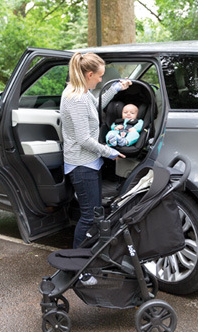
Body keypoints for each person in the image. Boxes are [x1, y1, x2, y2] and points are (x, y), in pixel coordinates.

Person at [60, 52, 131, 248]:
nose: (101, 80)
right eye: (100, 76)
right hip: (81, 165)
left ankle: (88, 260)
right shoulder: (75, 99)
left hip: (90, 162)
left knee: (94, 212)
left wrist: (117, 87)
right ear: (89, 74)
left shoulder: (83, 93)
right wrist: (110, 152)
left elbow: (97, 104)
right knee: (89, 217)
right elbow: (83, 139)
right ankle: (78, 266)